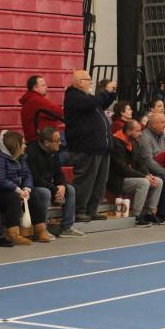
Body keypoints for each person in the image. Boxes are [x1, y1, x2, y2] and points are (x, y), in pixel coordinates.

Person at [63, 69, 115, 222]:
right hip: (85, 147)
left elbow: (100, 104)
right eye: (88, 80)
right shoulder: (73, 96)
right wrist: (105, 91)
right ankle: (79, 210)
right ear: (80, 82)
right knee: (86, 181)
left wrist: (111, 94)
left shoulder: (87, 98)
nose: (90, 83)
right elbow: (93, 103)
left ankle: (92, 210)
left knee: (99, 182)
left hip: (99, 147)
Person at [26, 127, 84, 239]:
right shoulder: (31, 152)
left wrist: (61, 185)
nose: (60, 143)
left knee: (70, 189)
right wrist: (55, 190)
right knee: (45, 193)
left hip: (49, 185)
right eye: (57, 141)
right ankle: (42, 230)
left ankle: (66, 228)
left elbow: (58, 173)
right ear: (47, 143)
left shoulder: (54, 151)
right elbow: (35, 178)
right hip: (33, 187)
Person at [0, 130, 42, 245]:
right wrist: (17, 190)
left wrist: (26, 188)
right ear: (15, 145)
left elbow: (27, 175)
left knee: (33, 193)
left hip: (15, 189)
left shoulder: (21, 157)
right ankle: (14, 234)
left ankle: (40, 230)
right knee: (14, 198)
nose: (25, 146)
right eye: (23, 144)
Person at [108, 119, 162, 227]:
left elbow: (140, 163)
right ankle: (136, 216)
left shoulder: (134, 143)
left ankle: (149, 213)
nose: (140, 134)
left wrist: (148, 174)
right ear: (128, 132)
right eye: (137, 131)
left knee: (158, 181)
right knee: (144, 182)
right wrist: (144, 176)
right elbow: (122, 169)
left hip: (131, 176)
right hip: (117, 180)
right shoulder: (116, 143)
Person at [19, 75, 64, 144]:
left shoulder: (29, 100)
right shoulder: (36, 100)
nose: (46, 87)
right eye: (43, 85)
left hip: (35, 140)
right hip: (43, 141)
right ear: (35, 88)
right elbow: (59, 112)